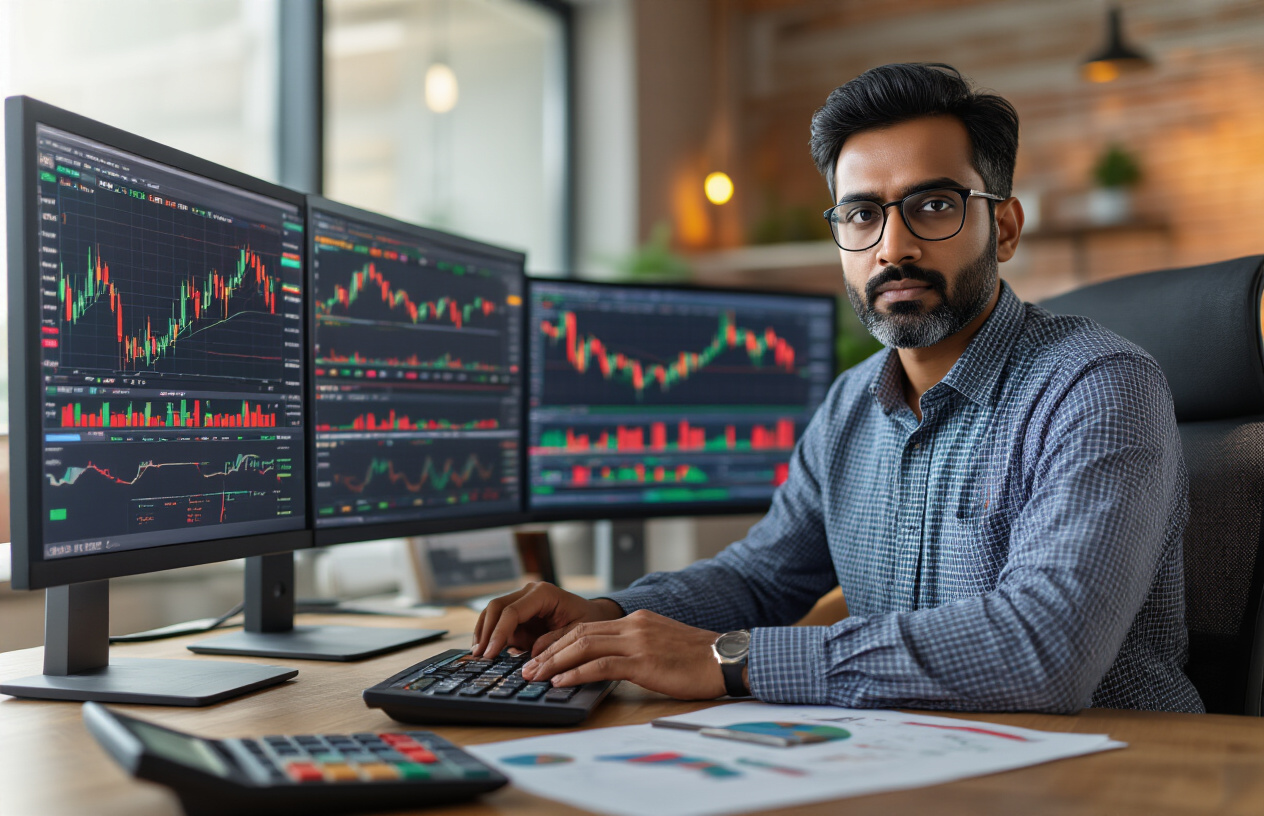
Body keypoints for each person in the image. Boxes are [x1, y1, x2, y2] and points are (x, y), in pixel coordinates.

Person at [474, 63, 1204, 713]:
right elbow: (762, 577)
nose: (893, 246)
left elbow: (1046, 650)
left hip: (1113, 776)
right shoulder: (852, 403)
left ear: (1004, 227)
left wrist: (730, 662)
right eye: (862, 214)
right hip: (911, 766)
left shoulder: (1097, 387)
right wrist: (602, 613)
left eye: (935, 204)